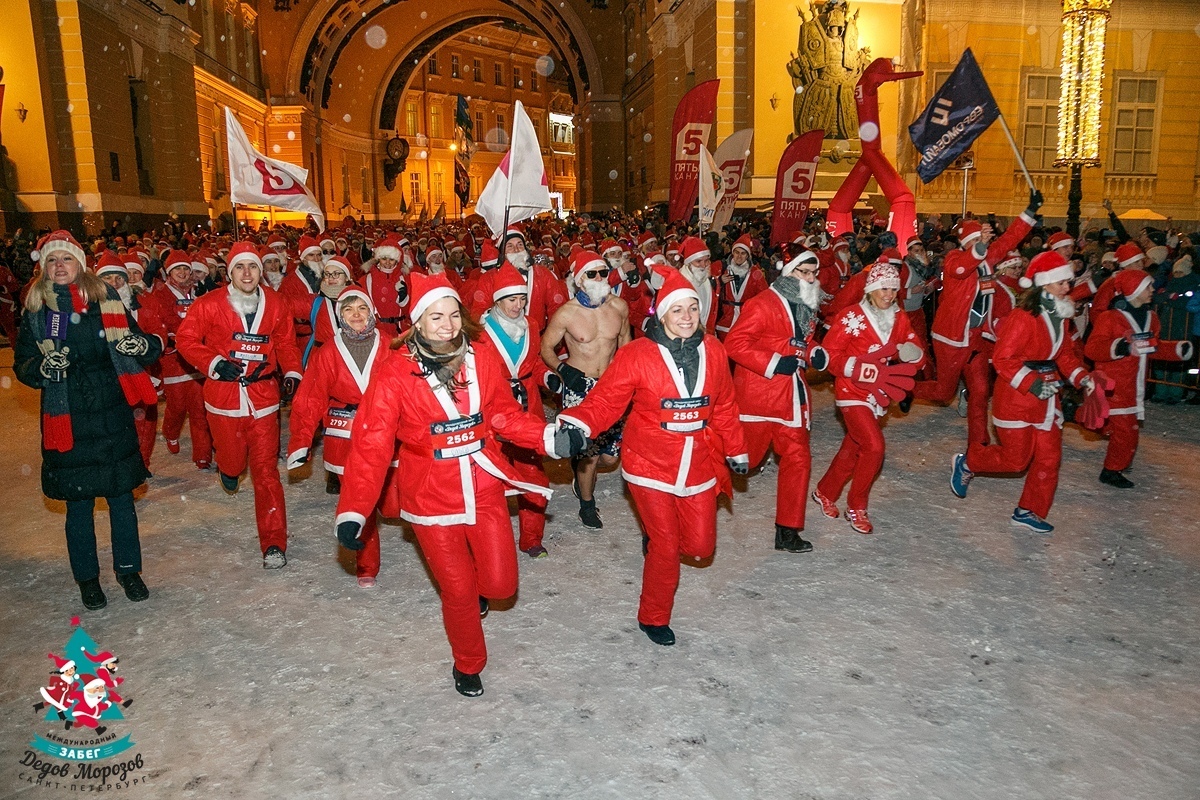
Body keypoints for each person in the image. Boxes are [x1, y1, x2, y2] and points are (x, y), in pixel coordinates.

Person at [333, 272, 581, 697]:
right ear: (417, 323)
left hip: (483, 484)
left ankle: (477, 597)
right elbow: (372, 445)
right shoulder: (394, 374)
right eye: (435, 317)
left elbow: (502, 413)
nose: (447, 325)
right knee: (459, 589)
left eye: (452, 314)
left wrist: (546, 436)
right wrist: (354, 509)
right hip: (430, 496)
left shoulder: (481, 356)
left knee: (501, 585)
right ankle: (468, 663)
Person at [557, 266, 748, 646]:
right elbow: (606, 400)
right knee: (665, 545)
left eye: (693, 309)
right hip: (649, 461)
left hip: (697, 459)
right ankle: (653, 616)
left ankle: (658, 536)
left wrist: (737, 446)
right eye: (677, 311)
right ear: (661, 314)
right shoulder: (638, 354)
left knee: (699, 546)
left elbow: (724, 403)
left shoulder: (713, 349)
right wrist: (576, 424)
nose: (687, 318)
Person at [14, 231, 161, 609]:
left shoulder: (106, 300)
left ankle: (129, 571)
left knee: (121, 501)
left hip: (112, 415)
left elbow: (143, 343)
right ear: (43, 268)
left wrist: (138, 346)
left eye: (66, 259)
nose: (59, 266)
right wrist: (43, 367)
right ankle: (88, 580)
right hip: (68, 418)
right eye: (52, 260)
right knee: (78, 507)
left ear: (80, 264)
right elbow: (24, 365)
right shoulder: (36, 311)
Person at [176, 241, 303, 568]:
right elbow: (186, 340)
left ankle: (274, 543)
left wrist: (291, 372)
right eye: (239, 267)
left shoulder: (275, 303)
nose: (247, 273)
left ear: (260, 272)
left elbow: (287, 342)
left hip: (263, 399)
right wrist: (214, 363)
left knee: (266, 472)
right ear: (229, 271)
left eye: (252, 267)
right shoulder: (209, 304)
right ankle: (229, 470)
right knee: (233, 463)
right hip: (224, 399)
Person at [950, 251, 1096, 534]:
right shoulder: (1021, 317)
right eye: (1062, 282)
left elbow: (1064, 355)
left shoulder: (1061, 317)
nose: (1068, 287)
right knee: (1016, 460)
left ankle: (1029, 510)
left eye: (1069, 282)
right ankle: (968, 461)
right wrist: (1032, 383)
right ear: (1045, 283)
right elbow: (1003, 359)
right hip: (1017, 398)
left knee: (1049, 458)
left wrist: (1082, 379)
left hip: (1047, 398)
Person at [913, 192, 1042, 446]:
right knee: (943, 392)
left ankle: (979, 440)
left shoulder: (988, 261)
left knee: (981, 392)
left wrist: (1030, 210)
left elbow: (1009, 239)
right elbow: (961, 267)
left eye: (981, 243)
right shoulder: (954, 259)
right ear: (968, 243)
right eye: (975, 242)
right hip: (951, 338)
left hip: (975, 340)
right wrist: (980, 247)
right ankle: (906, 388)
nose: (980, 247)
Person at [811, 262, 925, 534]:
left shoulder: (899, 317)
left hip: (879, 393)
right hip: (851, 391)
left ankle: (824, 491)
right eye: (883, 288)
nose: (888, 294)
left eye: (893, 289)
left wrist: (913, 354)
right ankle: (857, 506)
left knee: (853, 449)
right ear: (871, 289)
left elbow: (914, 348)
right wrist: (854, 367)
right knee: (874, 446)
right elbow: (828, 356)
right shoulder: (852, 317)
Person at [725, 249, 827, 553]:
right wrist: (772, 362)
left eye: (813, 273)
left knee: (798, 460)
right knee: (747, 459)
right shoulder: (762, 304)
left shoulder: (805, 304)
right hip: (760, 400)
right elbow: (735, 343)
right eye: (803, 272)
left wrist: (813, 353)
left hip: (792, 400)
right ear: (788, 273)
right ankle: (689, 490)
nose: (810, 279)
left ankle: (788, 531)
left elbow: (799, 342)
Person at [288, 287, 391, 585]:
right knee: (361, 501)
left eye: (362, 308)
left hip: (385, 428)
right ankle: (366, 566)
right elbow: (310, 398)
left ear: (372, 311)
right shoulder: (327, 352)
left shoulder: (391, 344)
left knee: (394, 499)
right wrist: (301, 441)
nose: (356, 315)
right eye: (348, 309)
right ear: (339, 316)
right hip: (344, 432)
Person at [541, 249, 631, 528]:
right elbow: (546, 347)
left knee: (608, 457)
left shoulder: (619, 307)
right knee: (590, 457)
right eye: (591, 273)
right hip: (580, 388)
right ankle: (587, 504)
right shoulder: (567, 313)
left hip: (612, 386)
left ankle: (579, 466)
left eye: (603, 272)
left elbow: (626, 344)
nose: (599, 278)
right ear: (580, 279)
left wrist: (628, 379)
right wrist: (564, 369)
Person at [474, 264, 556, 558]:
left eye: (522, 299)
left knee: (532, 473)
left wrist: (547, 377)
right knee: (488, 478)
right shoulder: (479, 330)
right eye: (511, 299)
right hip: (492, 411)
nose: (518, 306)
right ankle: (490, 540)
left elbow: (533, 364)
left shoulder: (532, 325)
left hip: (527, 409)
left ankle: (531, 538)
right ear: (497, 300)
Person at [1084, 269, 1193, 488]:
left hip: (1135, 385)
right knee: (1126, 432)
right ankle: (1111, 470)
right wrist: (1121, 347)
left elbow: (1152, 347)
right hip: (1114, 385)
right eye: (1148, 286)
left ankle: (1112, 461)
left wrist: (1177, 350)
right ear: (1134, 290)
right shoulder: (1109, 318)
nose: (1153, 290)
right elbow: (1092, 349)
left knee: (1120, 429)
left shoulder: (1151, 318)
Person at [137, 250, 213, 469]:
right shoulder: (160, 294)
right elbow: (163, 322)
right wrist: (185, 335)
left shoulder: (197, 292)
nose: (181, 272)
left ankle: (203, 455)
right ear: (169, 272)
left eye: (185, 268)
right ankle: (171, 431)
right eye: (177, 268)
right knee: (178, 406)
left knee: (199, 408)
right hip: (173, 360)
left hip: (196, 357)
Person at [715, 235, 769, 340]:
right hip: (724, 320)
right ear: (732, 253)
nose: (739, 256)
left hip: (745, 320)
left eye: (743, 253)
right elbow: (708, 288)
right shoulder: (721, 268)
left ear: (748, 256)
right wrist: (719, 281)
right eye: (736, 252)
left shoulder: (755, 273)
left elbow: (764, 297)